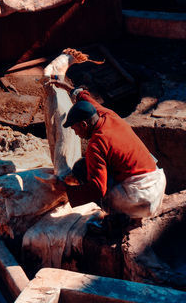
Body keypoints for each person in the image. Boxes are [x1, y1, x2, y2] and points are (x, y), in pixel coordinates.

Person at [51, 85, 167, 220]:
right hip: (158, 182)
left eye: (75, 128)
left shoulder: (96, 145)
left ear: (84, 125)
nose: (76, 133)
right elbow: (90, 103)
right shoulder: (109, 116)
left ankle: (118, 219)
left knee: (81, 169)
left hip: (142, 200)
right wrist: (73, 91)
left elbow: (97, 189)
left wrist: (67, 190)